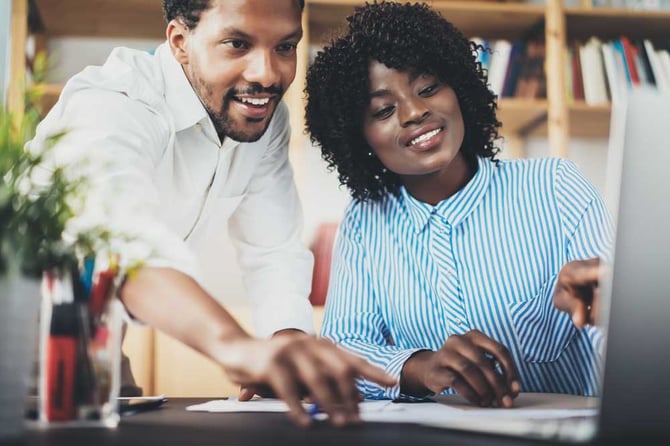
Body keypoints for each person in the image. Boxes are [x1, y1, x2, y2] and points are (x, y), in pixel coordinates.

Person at [28, 0, 394, 427]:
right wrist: (238, 348)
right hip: (17, 350)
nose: (267, 74)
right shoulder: (114, 104)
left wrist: (288, 340)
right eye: (237, 44)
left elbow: (273, 248)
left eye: (285, 46)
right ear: (180, 42)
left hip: (96, 353)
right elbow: (117, 245)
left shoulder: (264, 119)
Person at [304, 1, 612, 408]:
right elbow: (343, 346)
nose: (415, 112)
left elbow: (628, 338)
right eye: (383, 110)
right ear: (357, 138)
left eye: (428, 87)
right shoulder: (365, 223)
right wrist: (418, 367)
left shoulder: (554, 187)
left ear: (460, 88)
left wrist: (610, 305)